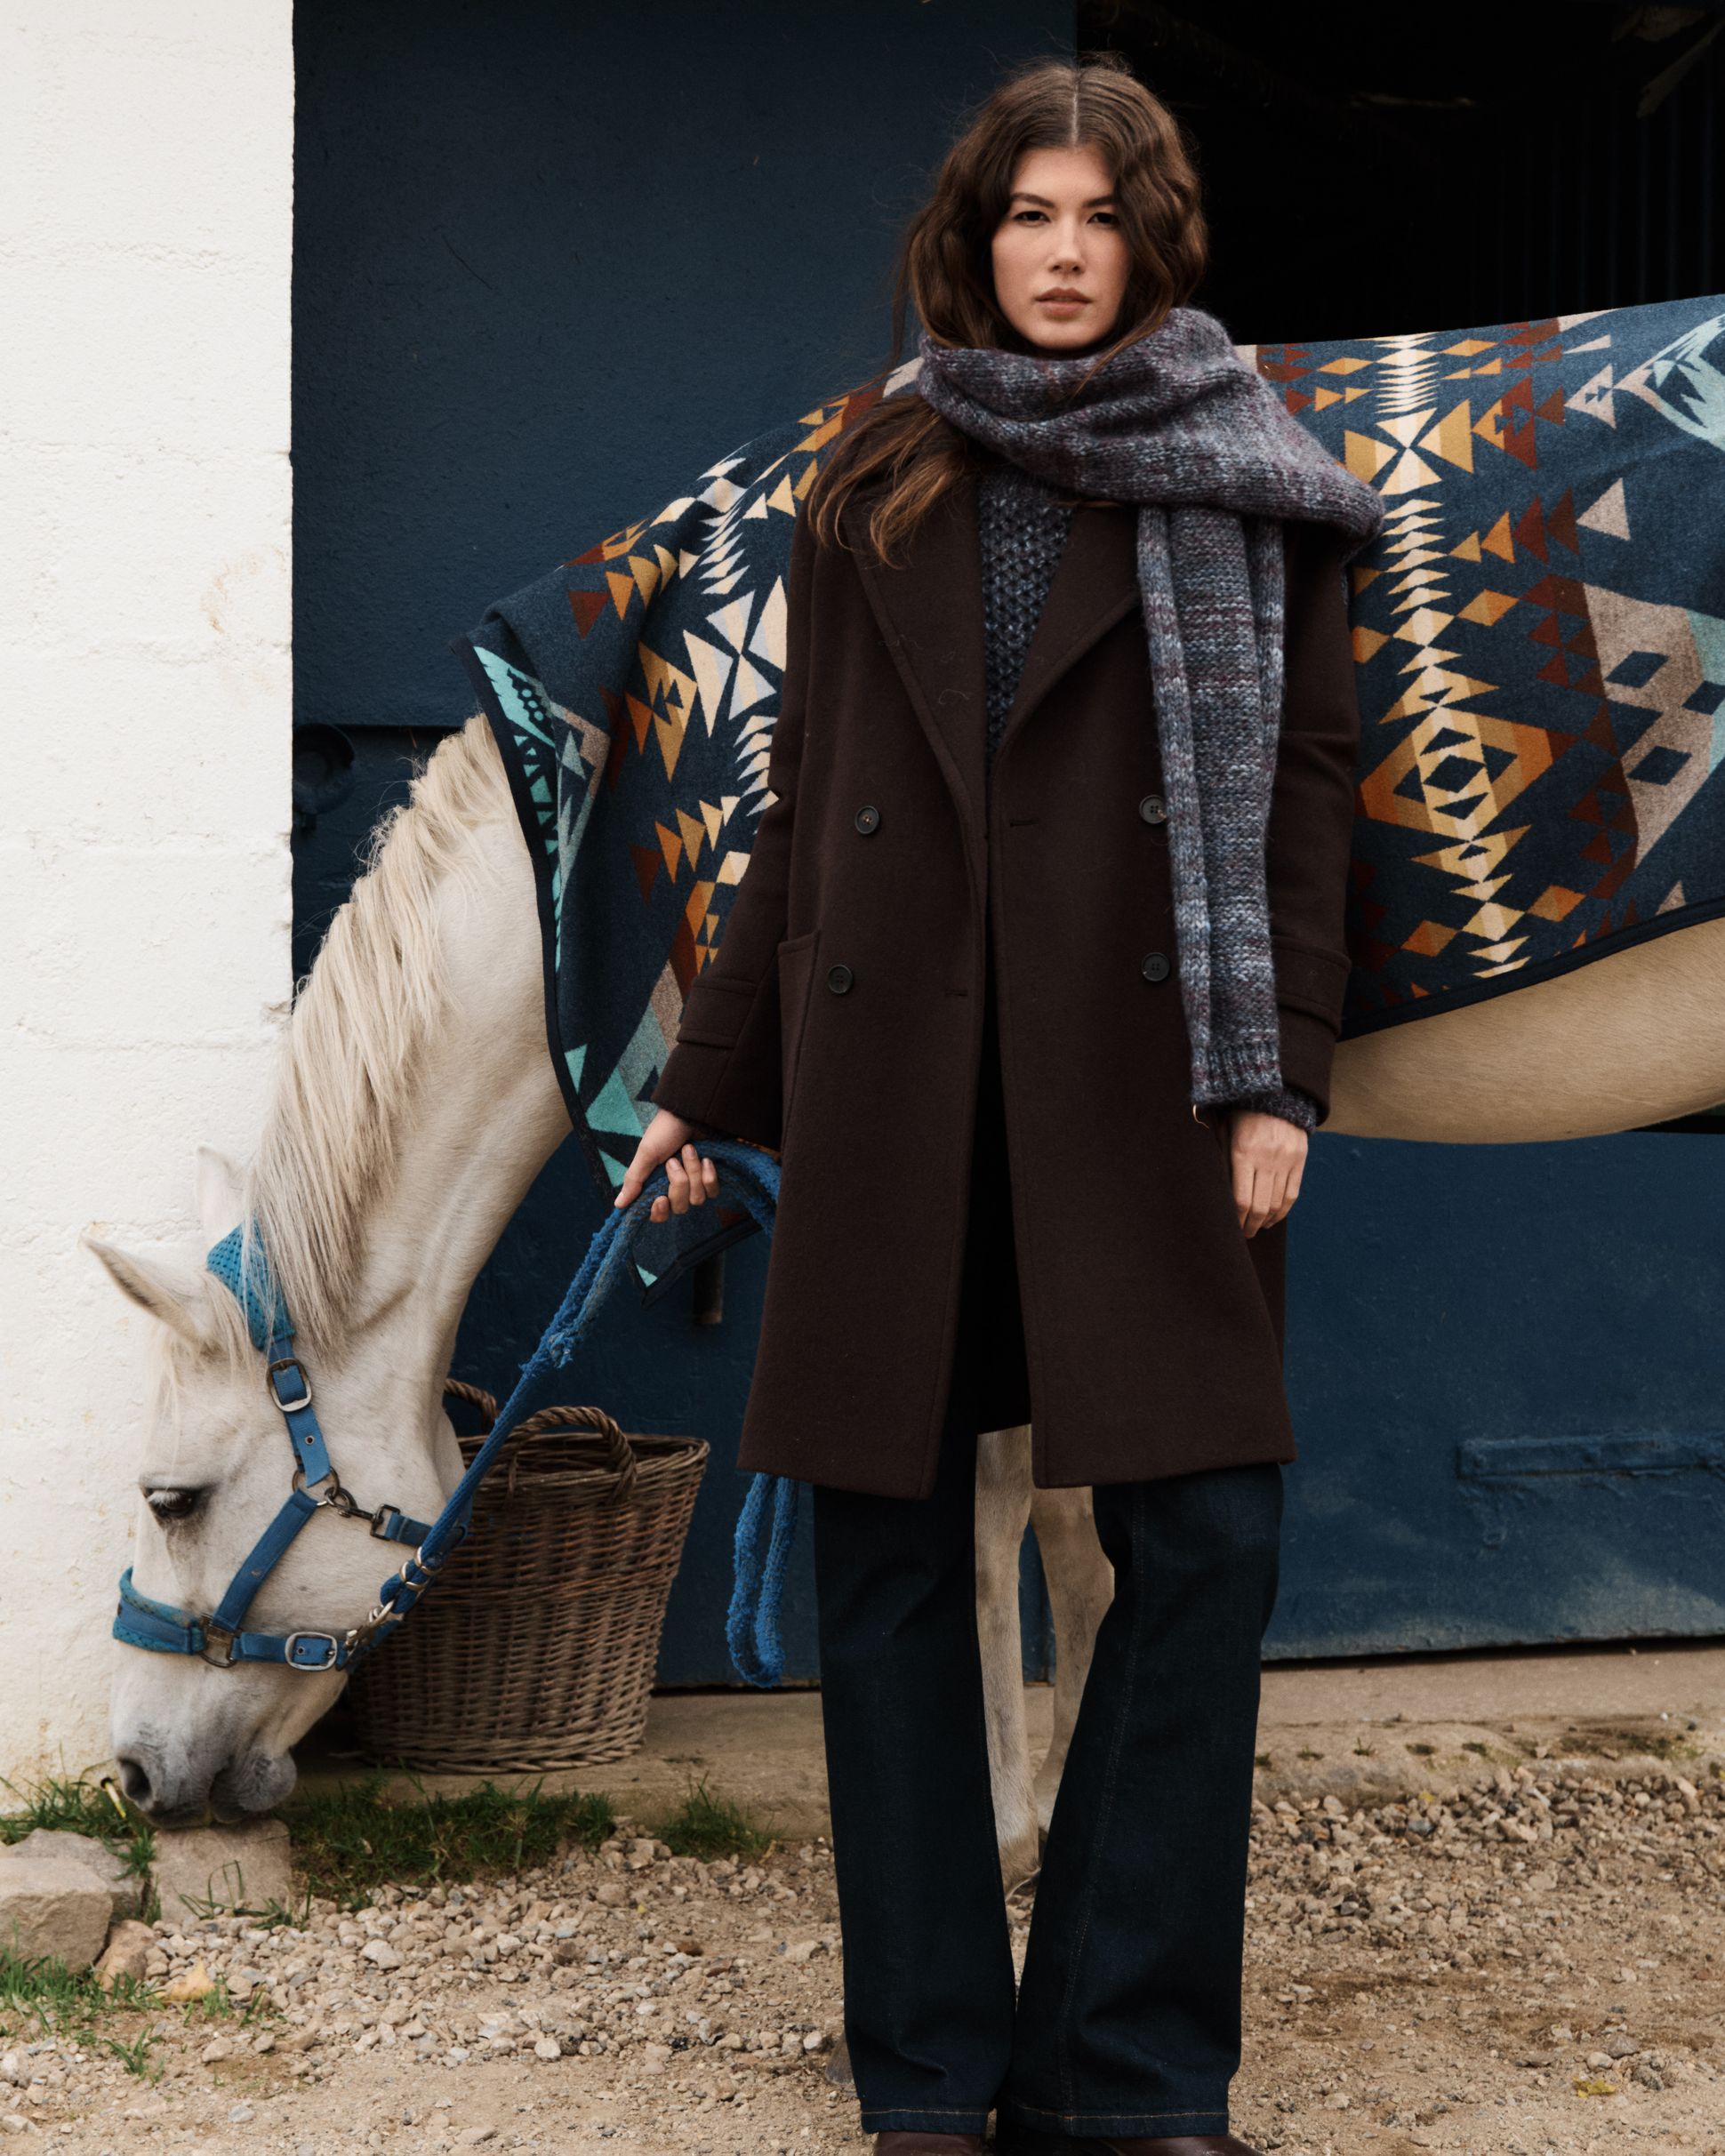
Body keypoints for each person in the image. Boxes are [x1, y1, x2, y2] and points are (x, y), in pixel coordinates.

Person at [614, 51, 1381, 2156]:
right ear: (976, 237)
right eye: (1028, 215)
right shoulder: (876, 470)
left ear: (1153, 242)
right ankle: (933, 2075)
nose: (1062, 253)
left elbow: (1305, 799)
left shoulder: (1258, 480)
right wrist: (706, 1076)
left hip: (1153, 1083)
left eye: (1099, 217)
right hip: (901, 1075)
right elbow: (801, 810)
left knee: (1204, 1540)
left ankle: (1124, 2066)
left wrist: (1278, 1080)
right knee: (882, 1563)